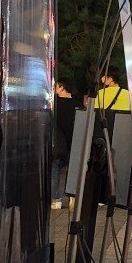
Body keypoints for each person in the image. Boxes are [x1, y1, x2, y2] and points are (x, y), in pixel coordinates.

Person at [52, 80, 80, 210]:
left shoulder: (54, 104)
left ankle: (56, 199)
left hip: (58, 143)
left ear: (62, 88)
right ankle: (73, 198)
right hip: (74, 142)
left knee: (55, 169)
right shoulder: (77, 104)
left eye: (56, 86)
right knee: (72, 170)